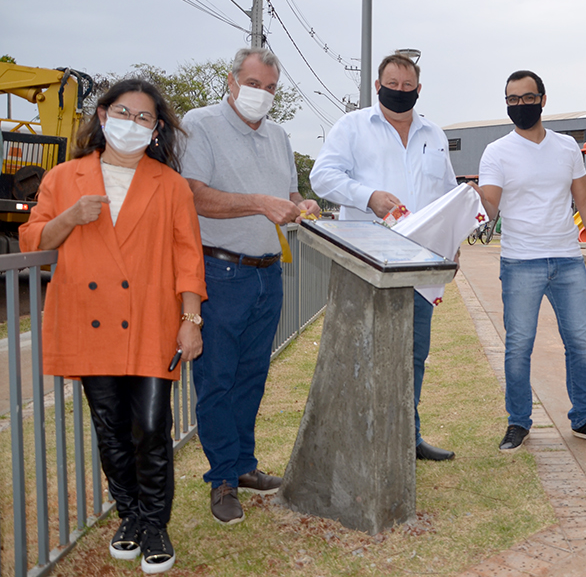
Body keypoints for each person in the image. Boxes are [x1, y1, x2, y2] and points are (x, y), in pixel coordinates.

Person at [20, 79, 206, 573]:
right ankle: (130, 516)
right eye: (123, 112)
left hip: (152, 318)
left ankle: (155, 522)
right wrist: (70, 218)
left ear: (157, 128)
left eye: (144, 117)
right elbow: (32, 238)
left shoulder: (169, 184)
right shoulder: (65, 177)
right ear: (103, 116)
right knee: (110, 429)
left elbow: (189, 257)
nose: (132, 123)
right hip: (90, 318)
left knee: (149, 425)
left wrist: (191, 320)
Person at [180, 48, 321, 525]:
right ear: (232, 80)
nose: (263, 94)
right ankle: (221, 478)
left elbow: (288, 194)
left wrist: (304, 204)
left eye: (271, 88)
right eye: (255, 84)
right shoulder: (200, 124)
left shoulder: (280, 135)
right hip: (219, 274)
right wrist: (260, 203)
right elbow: (193, 195)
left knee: (251, 376)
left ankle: (243, 465)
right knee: (216, 378)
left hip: (267, 272)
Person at [310, 53, 459, 461]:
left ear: (418, 90)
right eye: (391, 84)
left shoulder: (434, 134)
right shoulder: (353, 126)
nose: (399, 91)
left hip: (420, 264)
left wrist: (453, 239)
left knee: (413, 354)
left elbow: (447, 192)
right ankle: (362, 441)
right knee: (364, 351)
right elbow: (321, 176)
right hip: (368, 261)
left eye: (407, 86)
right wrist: (367, 196)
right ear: (378, 86)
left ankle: (406, 438)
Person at [473, 70, 586, 453]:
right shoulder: (497, 151)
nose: (519, 105)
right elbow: (489, 205)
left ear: (542, 99)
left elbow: (585, 200)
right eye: (512, 100)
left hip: (568, 260)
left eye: (526, 97)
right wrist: (475, 200)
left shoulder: (567, 148)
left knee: (580, 344)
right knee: (519, 346)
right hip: (521, 262)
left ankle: (583, 418)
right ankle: (518, 422)